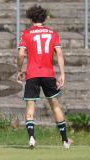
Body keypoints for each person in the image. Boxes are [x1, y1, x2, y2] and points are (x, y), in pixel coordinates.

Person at [17, 4, 73, 149]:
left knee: (30, 107)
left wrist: (19, 69)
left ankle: (31, 139)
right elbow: (59, 53)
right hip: (48, 74)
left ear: (30, 18)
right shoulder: (53, 33)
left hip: (32, 74)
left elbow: (21, 54)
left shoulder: (26, 33)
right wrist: (62, 73)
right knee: (55, 106)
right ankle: (65, 141)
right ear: (44, 18)